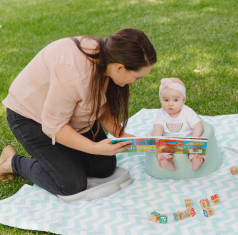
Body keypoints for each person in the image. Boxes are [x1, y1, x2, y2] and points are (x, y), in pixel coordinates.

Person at [0, 28, 157, 196]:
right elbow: (55, 127)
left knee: (105, 167)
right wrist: (95, 148)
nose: (138, 81)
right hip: (30, 117)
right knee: (71, 184)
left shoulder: (109, 58)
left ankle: (49, 159)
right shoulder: (74, 72)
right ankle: (12, 162)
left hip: (67, 117)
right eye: (137, 76)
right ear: (120, 67)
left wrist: (120, 133)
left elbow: (99, 105)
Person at [153, 78, 204, 172]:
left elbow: (198, 124)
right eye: (166, 100)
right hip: (169, 143)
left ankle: (196, 160)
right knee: (162, 151)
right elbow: (158, 126)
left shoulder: (187, 112)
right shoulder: (161, 113)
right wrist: (157, 138)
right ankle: (168, 163)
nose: (170, 104)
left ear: (183, 100)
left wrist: (194, 138)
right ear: (161, 100)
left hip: (187, 141)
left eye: (175, 100)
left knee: (196, 148)